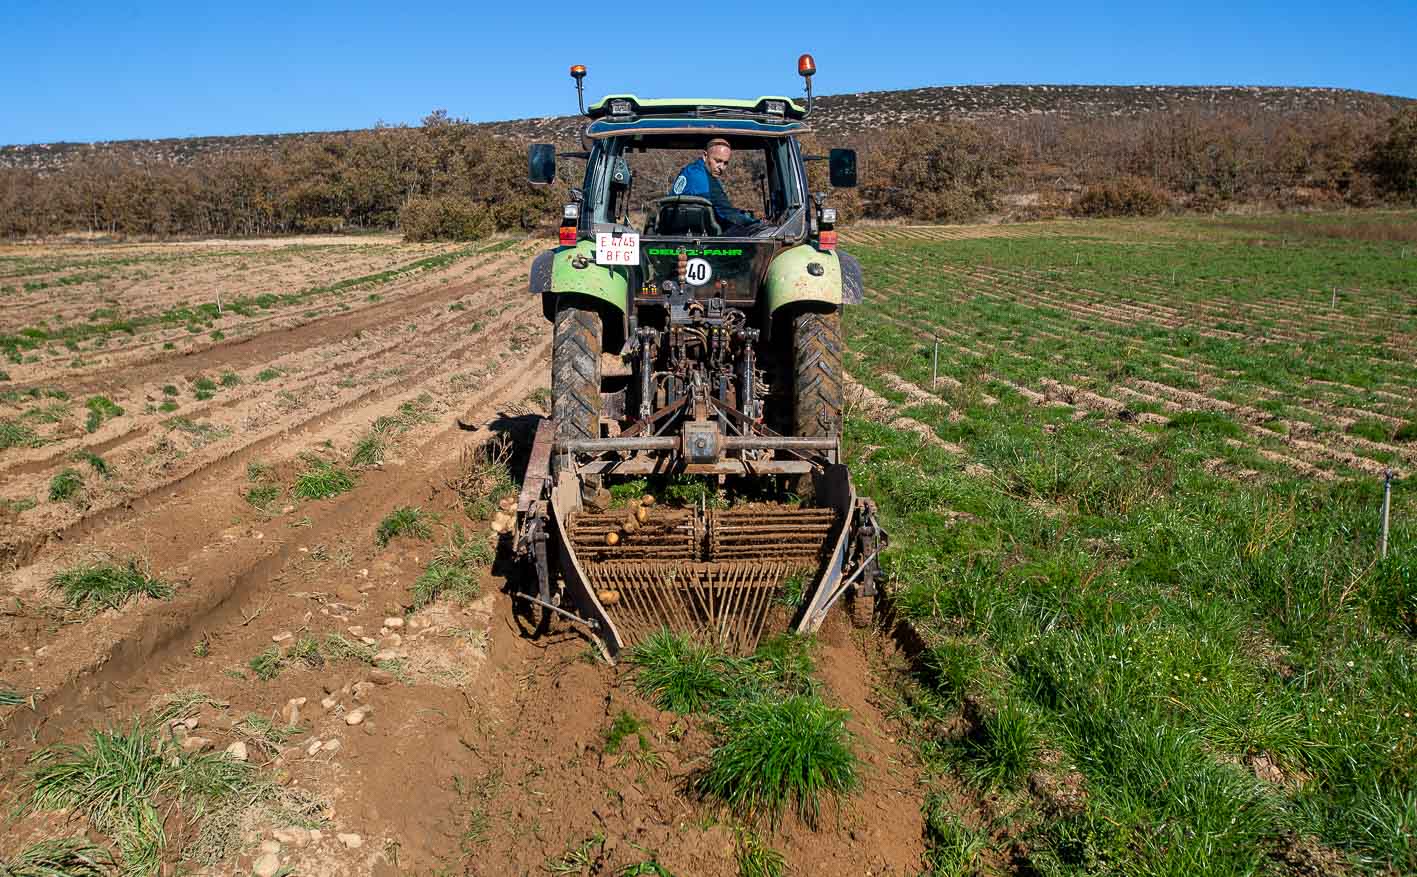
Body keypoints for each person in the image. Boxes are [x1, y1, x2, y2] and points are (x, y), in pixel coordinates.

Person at [670, 138, 756, 231]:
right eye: (718, 161)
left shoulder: (689, 170)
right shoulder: (705, 180)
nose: (721, 167)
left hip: (672, 230)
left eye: (725, 163)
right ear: (705, 156)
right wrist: (755, 224)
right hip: (696, 235)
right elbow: (727, 213)